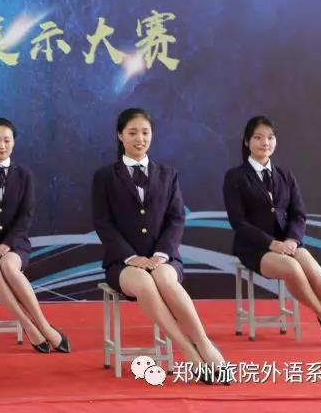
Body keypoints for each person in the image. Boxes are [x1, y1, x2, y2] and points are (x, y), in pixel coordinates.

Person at [92, 108, 227, 383]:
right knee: (144, 282)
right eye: (132, 133)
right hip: (123, 263)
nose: (139, 139)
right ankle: (187, 349)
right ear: (120, 136)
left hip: (164, 258)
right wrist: (132, 258)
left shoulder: (168, 174)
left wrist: (161, 254)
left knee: (165, 280)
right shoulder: (105, 176)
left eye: (145, 132)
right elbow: (103, 224)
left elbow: (176, 219)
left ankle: (204, 344)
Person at [224, 115, 321, 347]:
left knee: (312, 267)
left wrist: (293, 240)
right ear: (247, 141)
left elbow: (298, 214)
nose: (265, 143)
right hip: (255, 248)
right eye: (258, 137)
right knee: (293, 268)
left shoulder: (285, 174)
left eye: (270, 137)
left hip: (288, 242)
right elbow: (238, 222)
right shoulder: (235, 177)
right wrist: (271, 243)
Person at [0, 117, 70, 354]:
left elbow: (26, 216)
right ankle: (29, 326)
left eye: (7, 140)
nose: (1, 145)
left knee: (9, 267)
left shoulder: (24, 175)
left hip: (15, 244)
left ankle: (44, 325)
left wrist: (8, 244)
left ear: (14, 142)